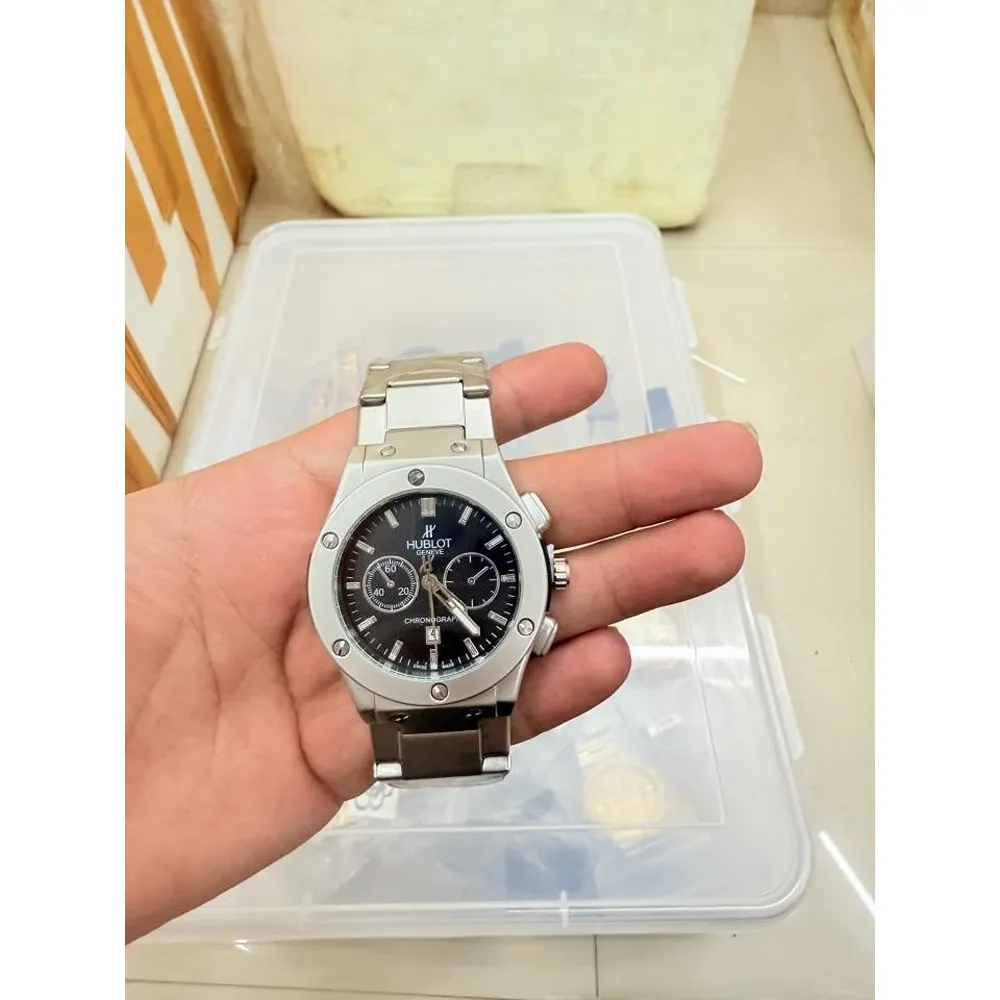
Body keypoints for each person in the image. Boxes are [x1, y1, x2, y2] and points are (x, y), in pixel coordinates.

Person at [125, 344, 762, 943]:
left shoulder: (447, 555)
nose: (429, 582)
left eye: (435, 579)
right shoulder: (363, 562)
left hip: (447, 649)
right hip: (434, 648)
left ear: (548, 569)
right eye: (418, 578)